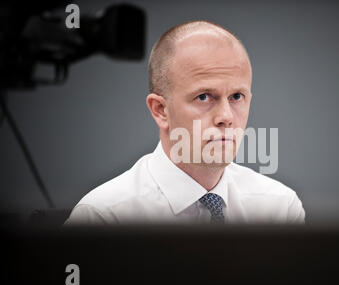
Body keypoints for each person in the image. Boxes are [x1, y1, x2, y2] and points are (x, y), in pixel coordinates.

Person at [64, 20, 305, 225]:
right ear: (161, 110)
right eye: (203, 97)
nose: (226, 117)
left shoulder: (279, 210)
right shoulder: (104, 218)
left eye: (236, 97)